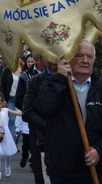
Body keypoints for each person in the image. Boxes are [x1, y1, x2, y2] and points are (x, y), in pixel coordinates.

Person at [37, 40, 102, 183]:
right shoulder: (53, 83)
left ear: (94, 61)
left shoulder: (100, 87)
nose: (85, 61)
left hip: (94, 170)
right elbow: (43, 108)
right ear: (70, 58)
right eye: (79, 55)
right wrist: (60, 78)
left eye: (89, 57)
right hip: (62, 171)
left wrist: (98, 150)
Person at [23, 58, 56, 184]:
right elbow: (27, 112)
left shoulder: (72, 80)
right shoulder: (35, 81)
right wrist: (47, 127)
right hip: (42, 141)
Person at [15, 52, 45, 170]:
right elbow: (19, 100)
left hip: (52, 123)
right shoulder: (26, 76)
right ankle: (30, 159)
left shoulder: (56, 74)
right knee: (32, 145)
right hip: (34, 122)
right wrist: (31, 112)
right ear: (38, 59)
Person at [0, 92, 22, 181]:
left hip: (6, 134)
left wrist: (25, 111)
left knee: (7, 153)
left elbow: (16, 113)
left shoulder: (6, 110)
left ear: (3, 103)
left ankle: (7, 167)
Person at [0, 58, 23, 139]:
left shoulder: (23, 71)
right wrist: (3, 99)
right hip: (10, 98)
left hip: (20, 99)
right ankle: (12, 141)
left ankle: (16, 141)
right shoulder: (7, 71)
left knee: (20, 121)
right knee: (12, 120)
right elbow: (2, 86)